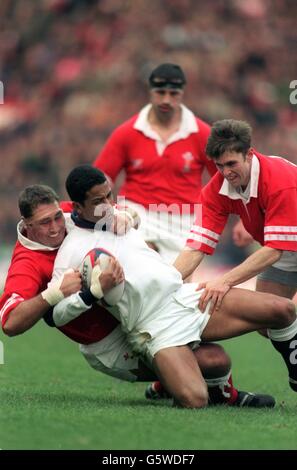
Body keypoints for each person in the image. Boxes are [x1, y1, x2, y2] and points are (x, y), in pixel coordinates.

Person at [52, 164, 297, 409]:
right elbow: (58, 315)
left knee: (282, 309)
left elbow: (135, 216)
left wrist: (129, 216)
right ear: (77, 207)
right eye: (99, 200)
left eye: (110, 195)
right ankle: (185, 383)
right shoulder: (71, 251)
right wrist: (92, 293)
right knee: (196, 397)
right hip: (152, 326)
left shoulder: (119, 218)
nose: (109, 203)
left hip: (184, 297)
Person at [0, 184, 267, 407]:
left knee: (218, 359)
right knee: (207, 365)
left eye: (57, 216)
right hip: (110, 344)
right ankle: (193, 387)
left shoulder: (71, 212)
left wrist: (129, 217)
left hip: (144, 314)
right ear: (26, 225)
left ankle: (181, 384)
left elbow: (122, 209)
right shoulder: (26, 264)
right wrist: (55, 293)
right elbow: (10, 323)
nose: (56, 226)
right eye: (44, 223)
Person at [93, 63, 219, 263]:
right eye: (160, 92)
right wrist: (99, 213)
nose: (166, 99)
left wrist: (240, 221)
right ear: (150, 92)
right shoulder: (127, 132)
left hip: (184, 219)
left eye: (173, 93)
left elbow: (225, 178)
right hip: (136, 213)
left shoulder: (202, 134)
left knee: (176, 286)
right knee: (134, 270)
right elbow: (99, 179)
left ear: (182, 93)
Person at [174, 119, 297, 315]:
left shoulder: (281, 181)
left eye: (231, 163)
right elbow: (196, 247)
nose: (226, 173)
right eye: (219, 166)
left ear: (249, 154)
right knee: (268, 319)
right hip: (285, 252)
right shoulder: (215, 190)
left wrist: (224, 280)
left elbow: (274, 250)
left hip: (279, 249)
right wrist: (166, 282)